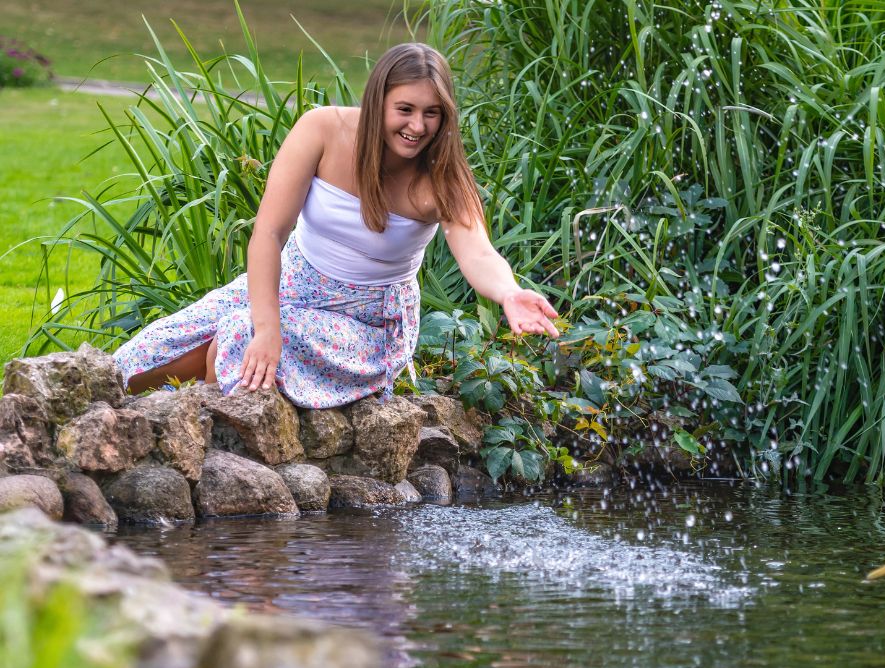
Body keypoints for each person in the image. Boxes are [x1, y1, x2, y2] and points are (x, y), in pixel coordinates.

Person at [114, 43, 560, 407]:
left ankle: (212, 451)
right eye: (404, 108)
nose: (417, 126)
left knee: (235, 338)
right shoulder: (323, 130)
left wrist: (508, 292)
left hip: (370, 319)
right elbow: (269, 232)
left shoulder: (441, 178)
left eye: (432, 113)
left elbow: (478, 251)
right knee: (130, 366)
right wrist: (270, 326)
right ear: (377, 100)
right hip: (294, 279)